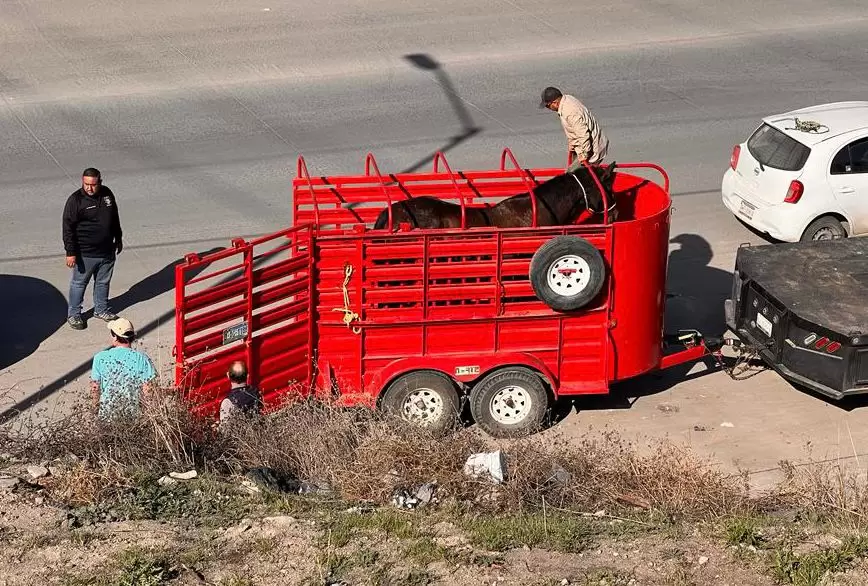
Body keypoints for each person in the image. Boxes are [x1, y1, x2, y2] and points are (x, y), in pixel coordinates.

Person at [62, 167, 123, 330]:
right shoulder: (75, 200)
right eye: (86, 184)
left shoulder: (107, 194)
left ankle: (101, 309)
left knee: (103, 282)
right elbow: (67, 228)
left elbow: (114, 216)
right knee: (79, 283)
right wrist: (70, 252)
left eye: (93, 184)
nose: (89, 188)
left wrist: (119, 238)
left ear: (100, 182)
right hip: (85, 253)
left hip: (107, 251)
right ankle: (74, 314)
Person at [90, 318, 157, 419]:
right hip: (133, 417)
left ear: (116, 337)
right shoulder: (142, 359)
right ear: (132, 337)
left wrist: (94, 409)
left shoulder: (100, 357)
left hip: (107, 415)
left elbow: (95, 388)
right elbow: (148, 391)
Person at [540, 86, 609, 172]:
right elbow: (574, 128)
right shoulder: (567, 99)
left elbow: (583, 134)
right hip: (581, 146)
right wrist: (572, 142)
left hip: (591, 148)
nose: (548, 109)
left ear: (555, 103)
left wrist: (584, 154)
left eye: (548, 106)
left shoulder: (570, 112)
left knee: (570, 175)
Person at [219, 360, 263, 427]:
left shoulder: (228, 402)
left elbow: (225, 430)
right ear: (247, 375)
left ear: (228, 375)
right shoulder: (256, 393)